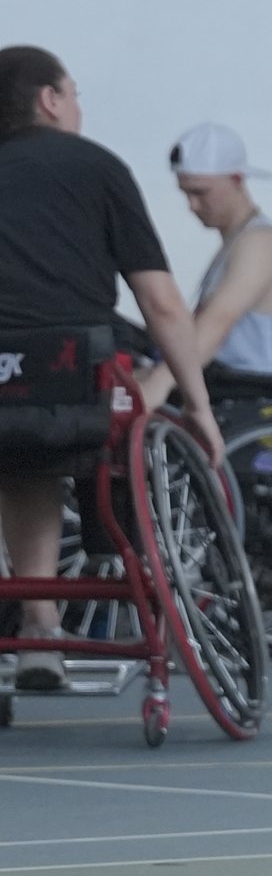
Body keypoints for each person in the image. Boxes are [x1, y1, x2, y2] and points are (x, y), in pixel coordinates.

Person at [0, 47, 226, 692]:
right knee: (71, 435)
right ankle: (106, 577)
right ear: (50, 99)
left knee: (21, 457)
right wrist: (199, 406)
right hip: (74, 385)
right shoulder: (97, 167)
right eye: (73, 93)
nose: (79, 106)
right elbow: (161, 302)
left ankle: (39, 626)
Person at [132, 125, 272, 414]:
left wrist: (159, 382)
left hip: (255, 398)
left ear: (237, 179)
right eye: (186, 193)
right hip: (230, 385)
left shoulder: (260, 243)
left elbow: (217, 323)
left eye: (200, 192)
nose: (192, 205)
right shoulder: (239, 240)